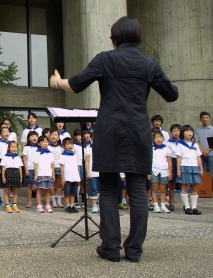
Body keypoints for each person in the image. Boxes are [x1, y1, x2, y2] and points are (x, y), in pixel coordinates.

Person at [49, 16, 178, 262]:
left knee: (108, 188)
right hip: (139, 131)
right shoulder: (149, 64)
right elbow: (171, 94)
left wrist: (57, 82)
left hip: (109, 130)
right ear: (139, 38)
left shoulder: (105, 59)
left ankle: (110, 247)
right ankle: (134, 250)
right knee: (138, 189)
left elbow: (76, 84)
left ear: (114, 38)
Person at [177, 125, 204, 215]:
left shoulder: (195, 144)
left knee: (194, 187)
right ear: (182, 133)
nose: (189, 133)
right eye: (187, 131)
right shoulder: (180, 145)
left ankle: (194, 207)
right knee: (184, 186)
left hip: (194, 167)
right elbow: (179, 158)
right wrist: (178, 170)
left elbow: (198, 158)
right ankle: (187, 207)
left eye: (191, 131)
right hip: (184, 167)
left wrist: (201, 169)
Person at [150, 131, 173, 213]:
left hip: (164, 171)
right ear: (153, 140)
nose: (158, 139)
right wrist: (148, 172)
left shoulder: (167, 149)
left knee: (163, 189)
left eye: (160, 137)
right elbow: (149, 161)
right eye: (156, 138)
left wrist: (170, 172)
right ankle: (156, 205)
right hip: (154, 170)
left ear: (163, 138)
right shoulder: (151, 149)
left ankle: (163, 205)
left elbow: (169, 162)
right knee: (154, 189)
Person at [33, 135, 55, 214]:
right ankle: (39, 205)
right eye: (43, 142)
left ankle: (48, 205)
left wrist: (53, 174)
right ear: (39, 143)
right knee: (39, 190)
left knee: (47, 190)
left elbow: (52, 165)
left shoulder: (50, 153)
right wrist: (36, 175)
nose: (45, 143)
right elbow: (35, 164)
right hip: (40, 174)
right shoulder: (37, 153)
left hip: (48, 174)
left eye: (46, 142)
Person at [59, 137, 81, 213]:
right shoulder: (63, 156)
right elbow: (62, 168)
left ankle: (72, 205)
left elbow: (76, 167)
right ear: (63, 146)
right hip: (67, 177)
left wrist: (78, 177)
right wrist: (63, 178)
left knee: (73, 192)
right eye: (68, 144)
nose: (70, 146)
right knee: (67, 192)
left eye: (71, 144)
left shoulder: (75, 155)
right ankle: (67, 206)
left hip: (74, 176)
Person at [0, 142, 23, 213]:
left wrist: (21, 177)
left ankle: (14, 205)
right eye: (12, 147)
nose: (14, 148)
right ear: (8, 148)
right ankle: (7, 205)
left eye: (15, 147)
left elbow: (20, 168)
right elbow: (3, 168)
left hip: (16, 174)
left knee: (15, 191)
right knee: (6, 191)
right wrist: (3, 177)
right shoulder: (5, 157)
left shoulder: (18, 157)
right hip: (8, 174)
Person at [166, 123, 181, 211]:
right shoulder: (168, 143)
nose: (176, 133)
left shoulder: (183, 143)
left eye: (178, 131)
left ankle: (186, 204)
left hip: (181, 162)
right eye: (174, 131)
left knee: (183, 184)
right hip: (172, 161)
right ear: (171, 132)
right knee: (172, 184)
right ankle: (171, 203)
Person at [22, 130, 39, 208]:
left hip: (39, 169)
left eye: (35, 136)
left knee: (38, 186)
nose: (34, 137)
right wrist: (26, 169)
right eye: (32, 136)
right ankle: (29, 201)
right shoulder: (26, 147)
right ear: (29, 138)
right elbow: (24, 159)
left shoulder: (40, 147)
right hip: (30, 168)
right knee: (29, 186)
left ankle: (38, 202)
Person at [0, 126, 10, 206]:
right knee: (1, 182)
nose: (6, 133)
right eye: (4, 132)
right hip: (1, 162)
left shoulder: (11, 143)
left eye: (7, 131)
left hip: (9, 163)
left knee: (8, 182)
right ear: (0, 134)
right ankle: (3, 199)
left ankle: (7, 199)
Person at [48, 130, 64, 208]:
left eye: (55, 135)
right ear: (49, 137)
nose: (54, 136)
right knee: (52, 184)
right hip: (50, 168)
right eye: (52, 135)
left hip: (59, 167)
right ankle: (53, 201)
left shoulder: (61, 148)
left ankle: (59, 201)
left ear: (58, 138)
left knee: (59, 185)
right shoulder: (47, 147)